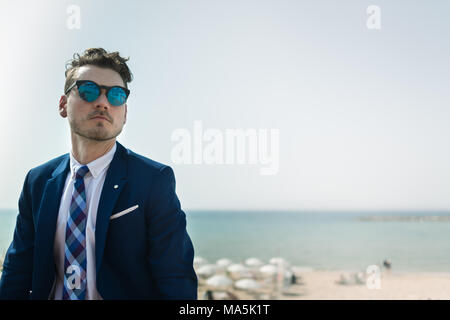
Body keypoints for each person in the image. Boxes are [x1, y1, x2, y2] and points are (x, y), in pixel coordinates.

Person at [0, 48, 198, 300]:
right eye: (89, 90)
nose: (103, 102)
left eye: (116, 95)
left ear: (124, 113)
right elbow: (18, 269)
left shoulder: (153, 180)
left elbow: (175, 278)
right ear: (63, 104)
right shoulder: (38, 181)